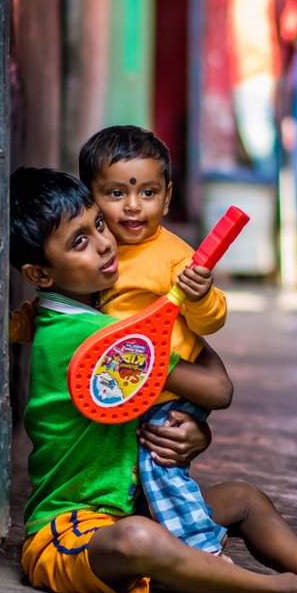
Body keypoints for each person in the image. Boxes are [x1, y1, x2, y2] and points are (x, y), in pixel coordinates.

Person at [10, 164, 297, 593]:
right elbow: (217, 388)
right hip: (68, 536)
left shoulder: (100, 317)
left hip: (130, 511)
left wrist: (195, 430)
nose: (105, 243)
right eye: (79, 241)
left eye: (99, 224)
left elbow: (194, 393)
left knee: (243, 500)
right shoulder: (94, 340)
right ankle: (284, 591)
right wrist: (187, 333)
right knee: (138, 538)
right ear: (40, 274)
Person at [78, 125, 228, 555]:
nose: (133, 206)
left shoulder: (174, 257)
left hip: (168, 393)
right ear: (91, 198)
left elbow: (211, 321)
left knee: (158, 464)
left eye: (147, 193)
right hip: (126, 387)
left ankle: (202, 550)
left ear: (166, 197)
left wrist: (200, 297)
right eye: (116, 193)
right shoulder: (96, 250)